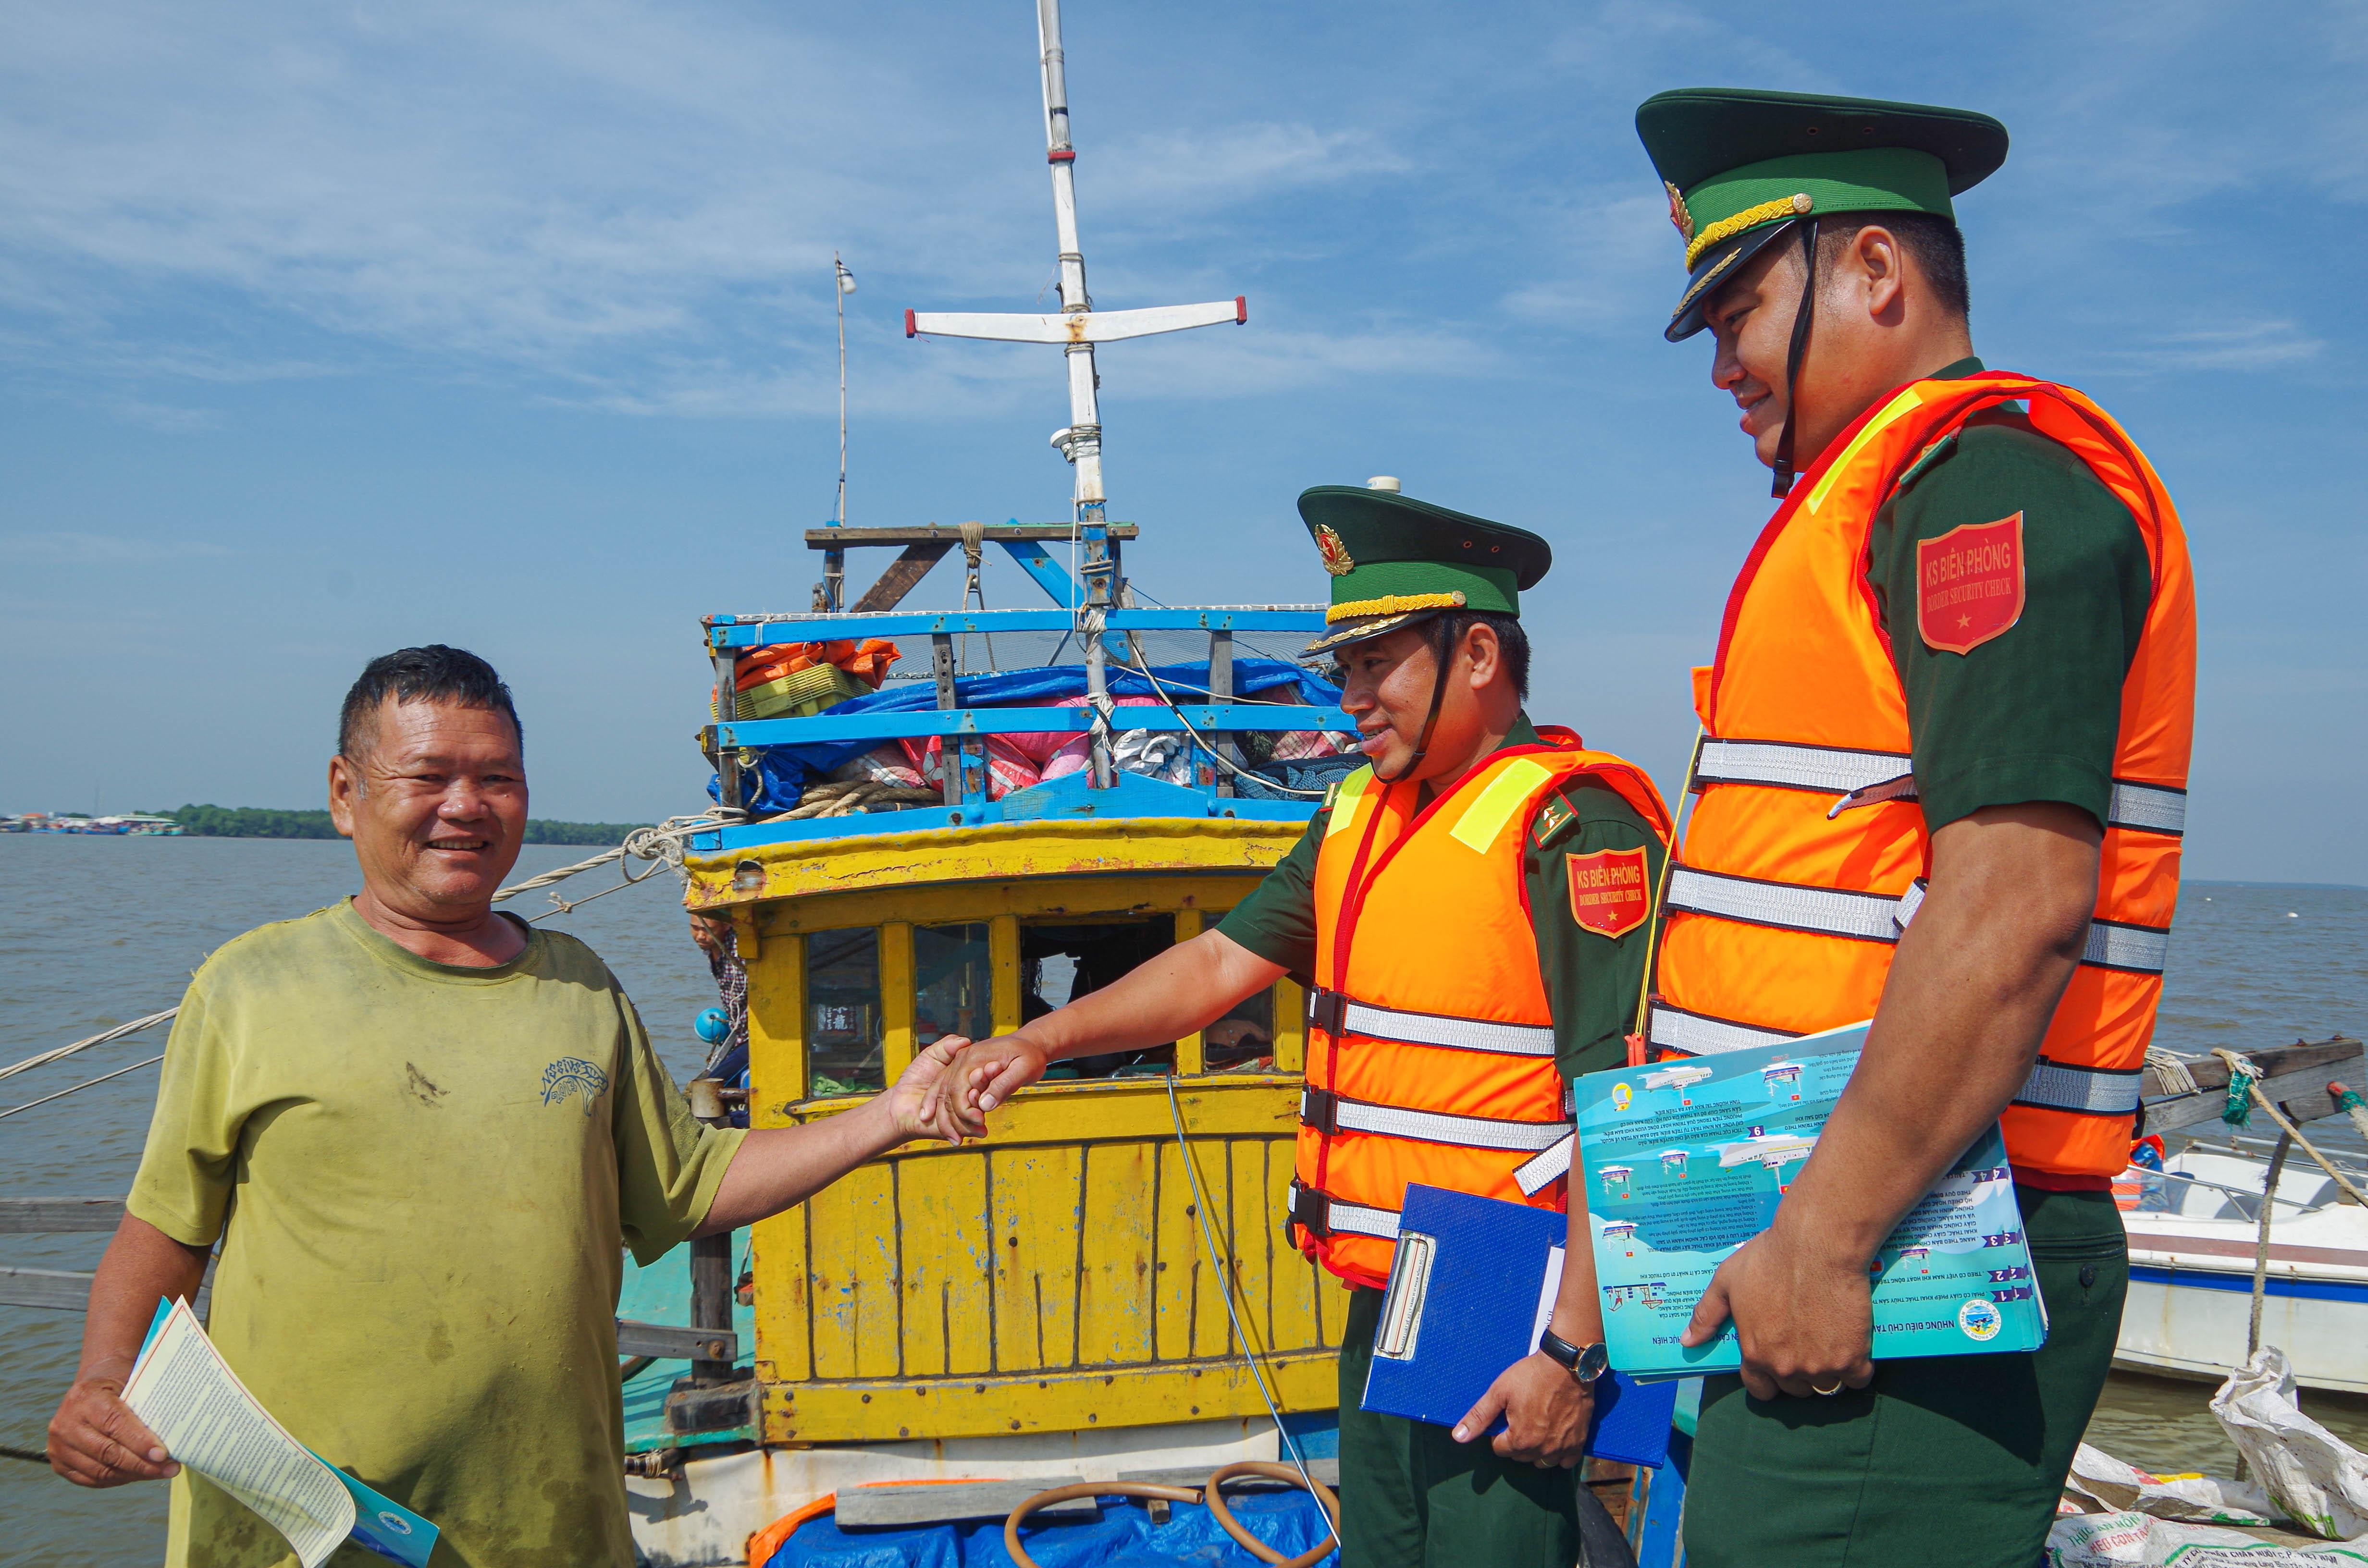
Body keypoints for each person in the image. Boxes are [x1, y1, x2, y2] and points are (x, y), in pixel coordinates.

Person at [46, 644, 974, 1567]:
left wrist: (888, 1115)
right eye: (429, 775)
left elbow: (691, 1184)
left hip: (545, 1525)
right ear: (344, 793)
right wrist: (101, 1383)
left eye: (498, 778)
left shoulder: (580, 989)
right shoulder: (251, 988)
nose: (466, 806)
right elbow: (165, 1229)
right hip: (298, 1532)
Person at [1631, 89, 2195, 1566]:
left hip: (1913, 1249)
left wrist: (1826, 1237)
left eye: (1740, 313)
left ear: (1875, 273)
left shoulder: (1984, 493)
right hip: (1846, 1229)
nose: (1724, 371)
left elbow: (2013, 905)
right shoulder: (1886, 501)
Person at [948, 484, 1675, 1568]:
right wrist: (1043, 1041)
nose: (1352, 699)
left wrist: (1573, 1355)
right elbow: (1213, 964)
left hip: (1509, 1298)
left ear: (1478, 654)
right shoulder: (1353, 817)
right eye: (1345, 668)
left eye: (1377, 664)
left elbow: (1627, 1103)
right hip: (1393, 1289)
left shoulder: (1572, 824)